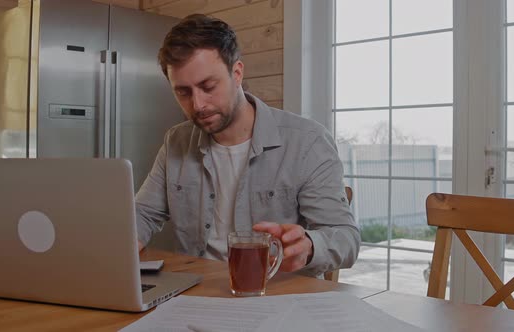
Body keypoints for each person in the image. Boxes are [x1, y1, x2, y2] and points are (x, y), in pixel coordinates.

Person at [136, 13, 359, 277]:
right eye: (183, 92)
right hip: (195, 293)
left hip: (277, 297)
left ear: (237, 72)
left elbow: (347, 240)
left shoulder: (307, 142)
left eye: (208, 86)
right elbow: (143, 213)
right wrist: (121, 243)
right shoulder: (176, 141)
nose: (198, 105)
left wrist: (309, 246)